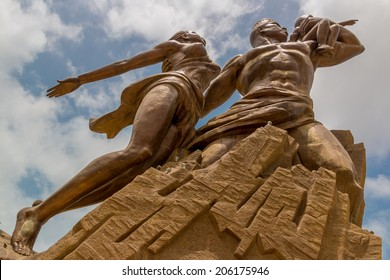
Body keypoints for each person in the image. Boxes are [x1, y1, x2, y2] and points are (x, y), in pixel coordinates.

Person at [11, 31, 220, 256]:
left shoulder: (209, 65)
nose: (198, 36)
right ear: (183, 37)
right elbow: (127, 63)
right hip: (172, 87)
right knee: (139, 152)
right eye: (190, 33)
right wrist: (81, 79)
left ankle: (42, 210)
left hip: (191, 111)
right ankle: (37, 214)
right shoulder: (179, 46)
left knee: (137, 178)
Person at [189, 18, 365, 225]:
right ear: (260, 30)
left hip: (299, 115)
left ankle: (333, 237)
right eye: (274, 23)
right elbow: (206, 103)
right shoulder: (243, 58)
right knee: (205, 165)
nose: (283, 27)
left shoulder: (307, 47)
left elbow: (354, 46)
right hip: (248, 115)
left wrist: (320, 22)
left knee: (341, 171)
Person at [289, 15, 358, 57]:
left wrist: (347, 23)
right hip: (306, 40)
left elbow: (330, 25)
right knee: (324, 21)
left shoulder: (317, 26)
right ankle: (321, 45)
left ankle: (328, 49)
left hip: (318, 36)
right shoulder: (299, 28)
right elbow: (291, 40)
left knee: (335, 27)